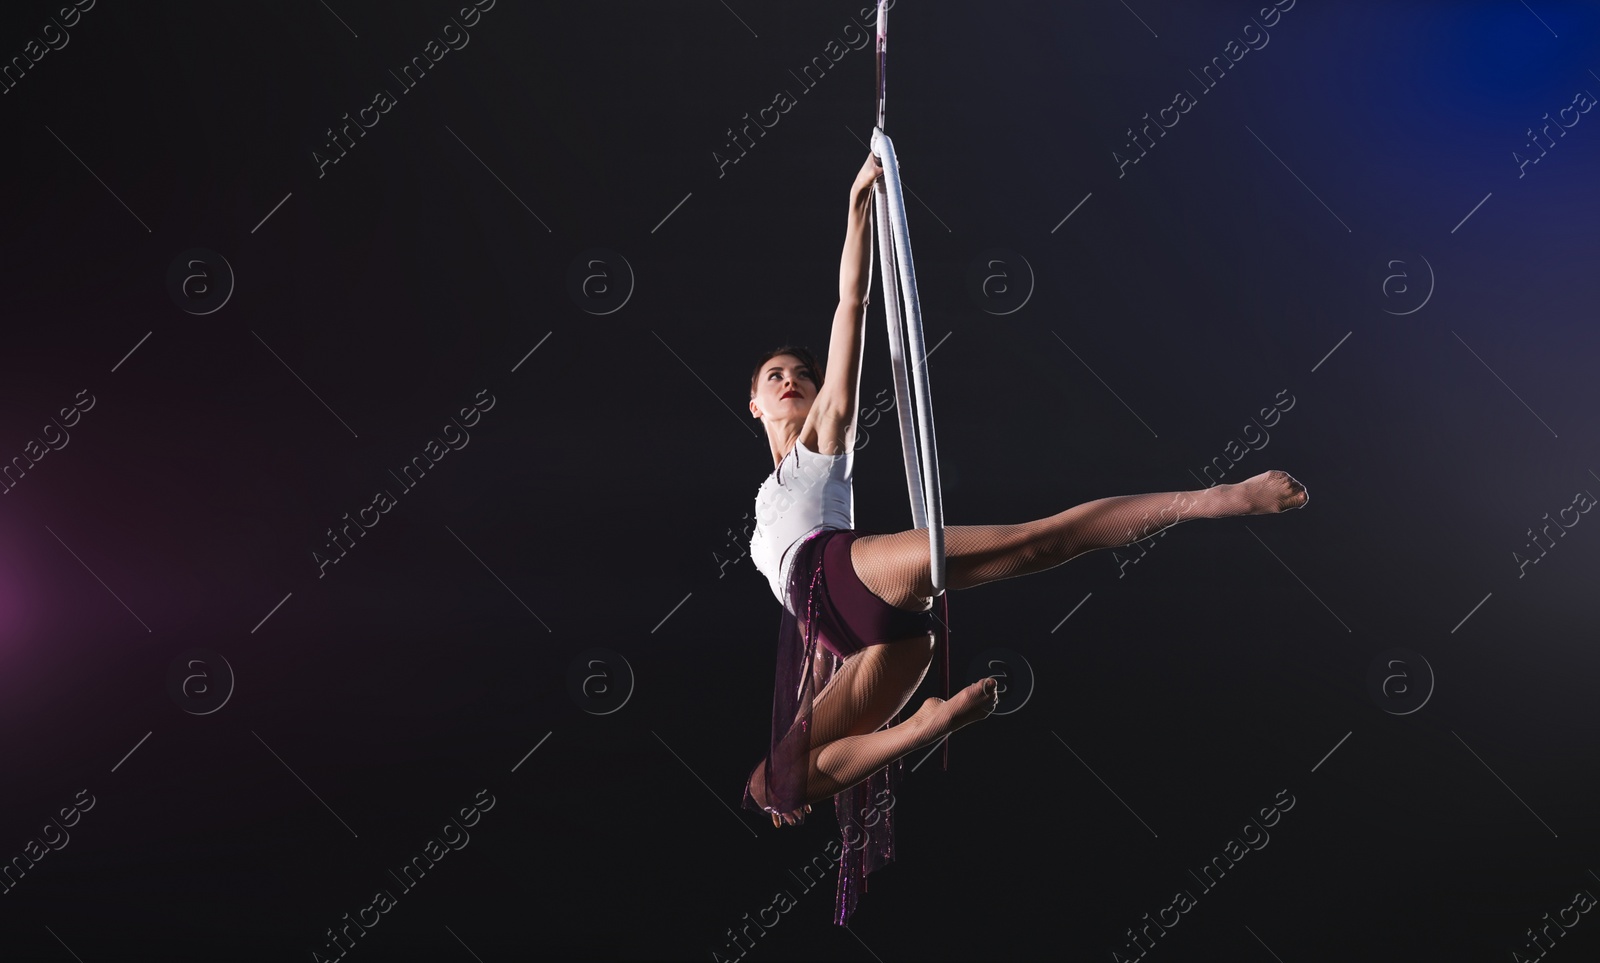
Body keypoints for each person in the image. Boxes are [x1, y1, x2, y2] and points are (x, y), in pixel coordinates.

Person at [741, 153, 1308, 923]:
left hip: (853, 576)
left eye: (797, 374)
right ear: (752, 403)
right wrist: (811, 693)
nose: (789, 380)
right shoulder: (758, 513)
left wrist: (857, 210)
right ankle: (925, 726)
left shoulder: (819, 443)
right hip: (873, 649)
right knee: (768, 786)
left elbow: (851, 307)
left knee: (1040, 542)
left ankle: (1215, 497)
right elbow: (804, 643)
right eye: (774, 375)